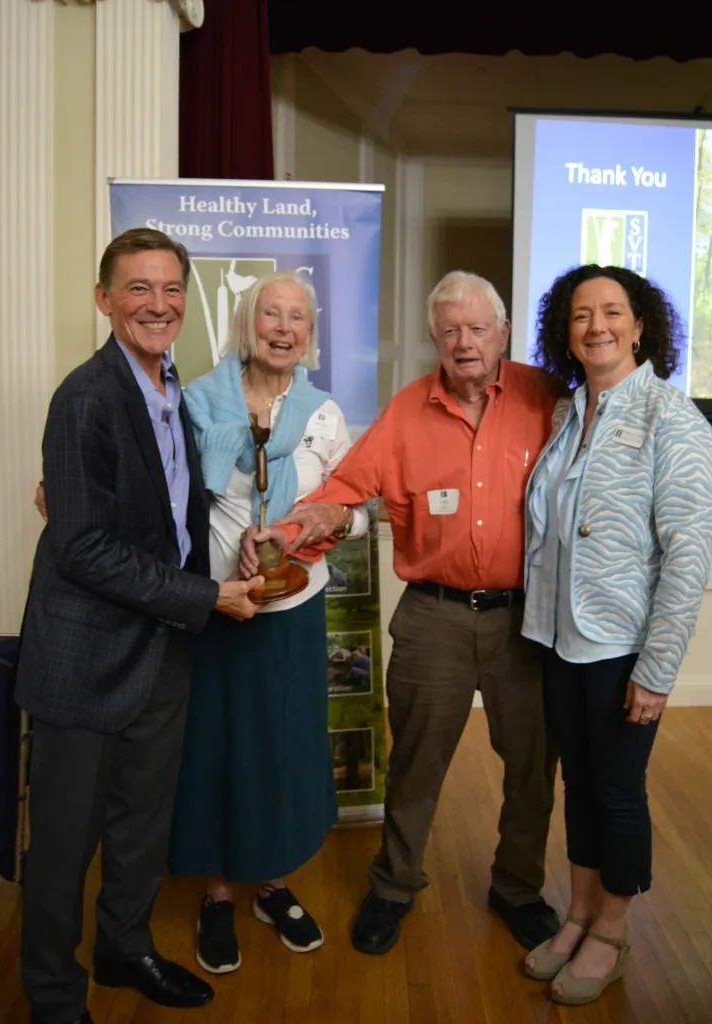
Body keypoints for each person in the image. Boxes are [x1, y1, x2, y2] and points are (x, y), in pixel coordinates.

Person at [241, 270, 564, 955]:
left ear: (504, 333)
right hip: (433, 619)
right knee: (415, 764)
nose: (465, 342)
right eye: (450, 330)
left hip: (526, 621)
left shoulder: (548, 398)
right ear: (433, 338)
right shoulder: (407, 411)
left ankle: (518, 889)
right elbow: (343, 490)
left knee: (532, 768)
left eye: (478, 329)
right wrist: (292, 531)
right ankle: (392, 887)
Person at [14, 228, 264, 1024]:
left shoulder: (168, 384)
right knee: (63, 845)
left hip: (161, 647)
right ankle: (54, 997)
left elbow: (167, 513)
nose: (158, 305)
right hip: (85, 659)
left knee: (141, 825)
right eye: (137, 288)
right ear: (104, 299)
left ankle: (123, 949)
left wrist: (230, 554)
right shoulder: (85, 397)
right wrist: (207, 597)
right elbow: (83, 548)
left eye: (170, 289)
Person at [519, 264, 712, 1006]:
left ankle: (611, 929)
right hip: (558, 638)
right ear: (565, 332)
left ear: (640, 327)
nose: (596, 326)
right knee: (578, 785)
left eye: (612, 312)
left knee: (617, 792)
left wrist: (657, 670)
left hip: (623, 647)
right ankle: (578, 914)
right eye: (581, 314)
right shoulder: (568, 414)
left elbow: (687, 558)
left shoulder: (674, 420)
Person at [166, 271, 367, 972]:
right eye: (271, 315)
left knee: (283, 745)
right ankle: (218, 892)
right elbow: (162, 496)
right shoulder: (193, 403)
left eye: (297, 318)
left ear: (309, 334)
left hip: (292, 610)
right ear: (247, 323)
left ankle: (273, 884)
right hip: (215, 607)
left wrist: (323, 520)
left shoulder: (323, 416)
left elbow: (360, 509)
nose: (284, 329)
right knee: (214, 747)